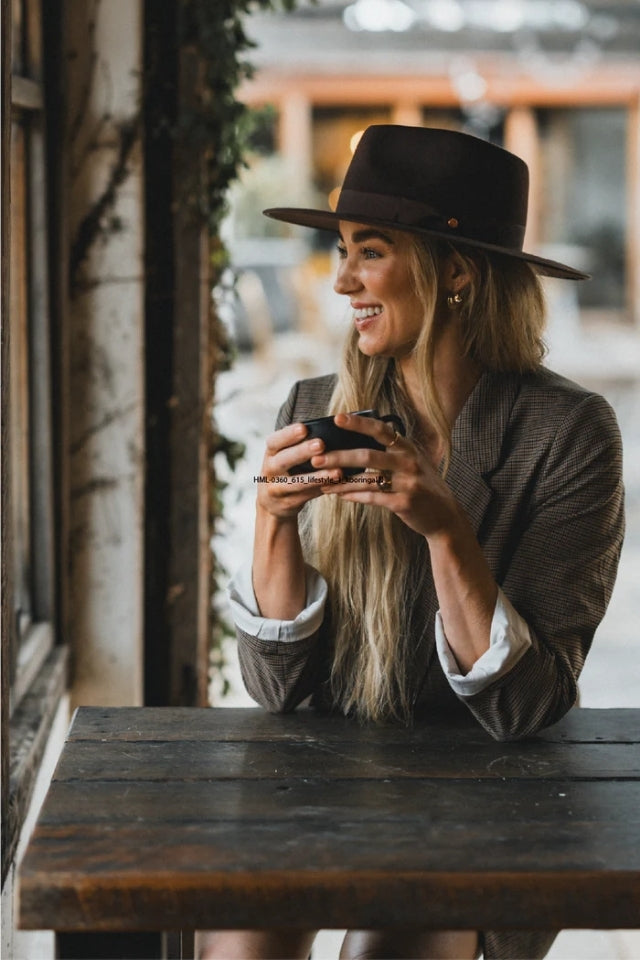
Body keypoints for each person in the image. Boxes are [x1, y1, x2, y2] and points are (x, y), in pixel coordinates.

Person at [201, 126, 625, 960]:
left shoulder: (570, 433)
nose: (342, 280)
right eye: (342, 251)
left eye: (370, 252)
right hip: (325, 782)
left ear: (455, 272)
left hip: (492, 794)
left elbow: (528, 705)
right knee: (237, 946)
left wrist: (444, 527)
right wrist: (273, 521)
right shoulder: (314, 408)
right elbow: (278, 691)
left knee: (386, 951)